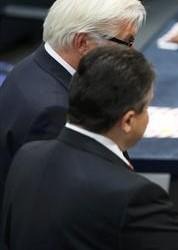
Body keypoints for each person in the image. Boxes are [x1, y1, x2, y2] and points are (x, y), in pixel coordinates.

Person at [1, 46, 178, 250]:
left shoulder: (28, 155)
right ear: (127, 121)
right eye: (146, 108)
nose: (148, 116)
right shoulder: (134, 196)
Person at [0, 0, 145, 206]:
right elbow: (57, 208)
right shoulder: (55, 112)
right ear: (83, 43)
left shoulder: (35, 65)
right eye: (127, 42)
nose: (133, 53)